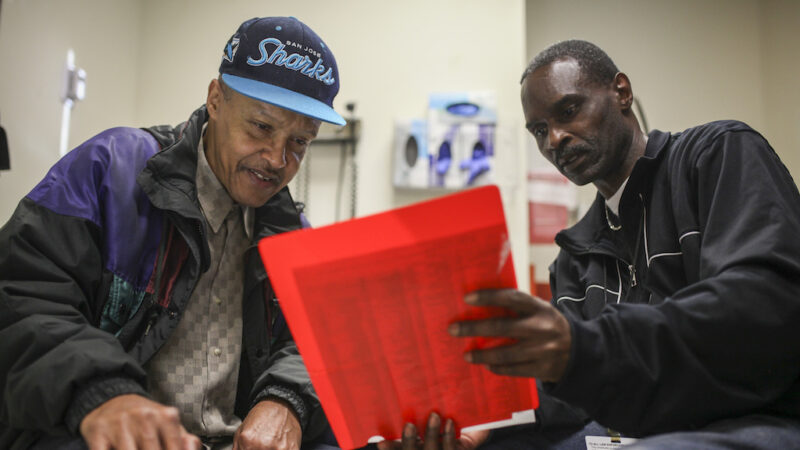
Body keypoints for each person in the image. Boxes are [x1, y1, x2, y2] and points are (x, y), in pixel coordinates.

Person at [386, 40, 800, 449]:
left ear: (621, 92)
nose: (555, 140)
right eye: (539, 130)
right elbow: (572, 396)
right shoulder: (575, 254)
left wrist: (585, 347)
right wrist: (486, 420)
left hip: (755, 415)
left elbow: (761, 309)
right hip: (631, 430)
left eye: (568, 111)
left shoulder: (715, 155)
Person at [0, 16, 346, 450]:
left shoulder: (291, 232)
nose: (278, 159)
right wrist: (104, 394)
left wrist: (287, 399)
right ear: (216, 99)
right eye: (261, 127)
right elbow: (23, 298)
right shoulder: (111, 171)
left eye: (300, 142)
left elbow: (320, 341)